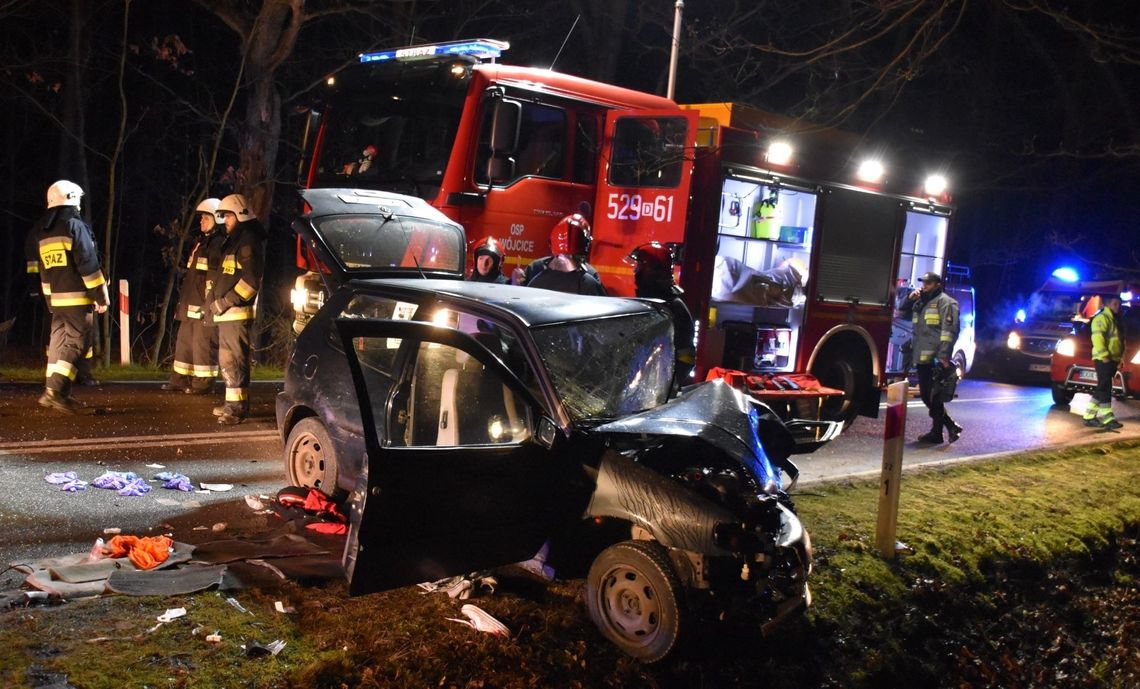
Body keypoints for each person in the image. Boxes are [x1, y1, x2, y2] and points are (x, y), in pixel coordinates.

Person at [24, 180, 109, 414]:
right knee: (75, 344)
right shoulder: (74, 226)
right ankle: (55, 393)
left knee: (59, 345)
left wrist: (50, 300)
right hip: (78, 300)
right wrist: (101, 295)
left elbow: (44, 270)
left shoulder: (43, 231)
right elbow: (88, 263)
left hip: (58, 301)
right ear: (71, 198)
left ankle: (54, 391)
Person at [205, 193, 266, 425]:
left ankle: (237, 409)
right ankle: (232, 404)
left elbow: (250, 282)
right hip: (226, 315)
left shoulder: (248, 241)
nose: (225, 221)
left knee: (235, 361)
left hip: (235, 313)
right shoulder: (236, 241)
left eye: (228, 216)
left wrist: (226, 301)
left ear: (240, 215)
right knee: (228, 361)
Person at [162, 199, 225, 394]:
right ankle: (179, 379)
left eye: (206, 218)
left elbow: (214, 278)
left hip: (203, 303)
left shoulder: (218, 244)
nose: (202, 221)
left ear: (217, 219)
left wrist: (209, 304)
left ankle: (203, 384)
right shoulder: (202, 243)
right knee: (185, 341)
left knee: (203, 344)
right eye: (202, 218)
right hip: (190, 301)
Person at [900, 271, 962, 443]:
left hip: (935, 358)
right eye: (923, 283)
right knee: (930, 397)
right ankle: (947, 428)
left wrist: (943, 356)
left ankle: (941, 431)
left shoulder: (946, 303)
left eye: (928, 283)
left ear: (937, 284)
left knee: (932, 397)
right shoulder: (921, 303)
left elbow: (949, 331)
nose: (924, 286)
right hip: (922, 357)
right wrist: (909, 299)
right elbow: (901, 311)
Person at [626, 241, 695, 389]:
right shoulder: (653, 302)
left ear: (649, 270)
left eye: (638, 267)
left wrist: (667, 385)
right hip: (641, 384)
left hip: (656, 390)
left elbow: (686, 356)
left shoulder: (672, 307)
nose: (635, 272)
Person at [524, 214, 607, 295]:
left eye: (571, 258)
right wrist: (515, 283)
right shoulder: (535, 268)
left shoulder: (536, 269)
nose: (567, 263)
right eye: (563, 257)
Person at [1084, 295, 1124, 430]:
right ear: (1108, 304)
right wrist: (1104, 356)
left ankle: (1089, 417)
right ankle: (1108, 419)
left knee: (1102, 387)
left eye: (1119, 304)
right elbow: (1098, 338)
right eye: (1115, 304)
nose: (1117, 307)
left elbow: (1118, 342)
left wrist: (1120, 359)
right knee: (1105, 388)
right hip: (1104, 359)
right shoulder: (1102, 318)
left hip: (1112, 359)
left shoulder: (1114, 319)